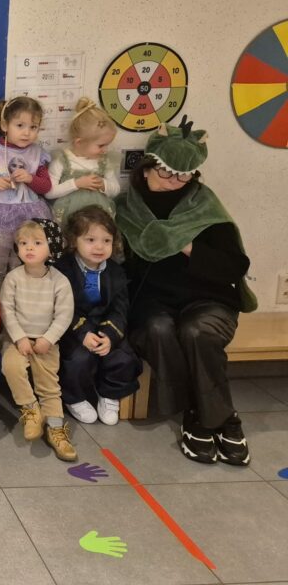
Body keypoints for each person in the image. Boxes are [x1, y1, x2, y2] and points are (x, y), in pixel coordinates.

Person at [117, 117, 255, 465]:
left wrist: (187, 245)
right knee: (158, 330)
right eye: (167, 173)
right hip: (152, 302)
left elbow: (235, 267)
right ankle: (206, 412)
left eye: (183, 176)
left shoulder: (203, 205)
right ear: (147, 168)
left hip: (209, 299)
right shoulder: (128, 208)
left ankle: (210, 418)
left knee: (198, 332)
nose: (174, 182)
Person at [55, 206, 141, 427]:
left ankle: (109, 393)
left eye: (106, 241)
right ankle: (74, 397)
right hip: (72, 327)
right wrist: (83, 333)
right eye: (91, 239)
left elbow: (120, 308)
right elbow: (62, 307)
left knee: (123, 356)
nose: (99, 247)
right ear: (74, 240)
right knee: (78, 359)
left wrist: (110, 335)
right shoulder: (62, 269)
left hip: (104, 324)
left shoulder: (116, 272)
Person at [0, 221, 78, 462]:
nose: (29, 248)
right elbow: (6, 310)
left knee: (49, 385)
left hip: (46, 342)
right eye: (23, 243)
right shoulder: (13, 278)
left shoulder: (59, 281)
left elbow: (64, 315)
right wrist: (19, 337)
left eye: (37, 243)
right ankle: (31, 409)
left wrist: (49, 339)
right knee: (11, 366)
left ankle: (56, 429)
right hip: (18, 340)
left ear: (51, 248)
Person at [0, 96, 53, 287]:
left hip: (29, 217)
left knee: (20, 266)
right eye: (20, 125)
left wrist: (30, 179)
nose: (26, 133)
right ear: (5, 125)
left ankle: (17, 301)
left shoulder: (38, 154)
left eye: (33, 127)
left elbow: (46, 187)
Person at [45, 97, 120, 228]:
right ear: (79, 142)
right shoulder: (63, 161)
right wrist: (76, 184)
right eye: (101, 145)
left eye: (107, 145)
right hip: (69, 220)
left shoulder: (104, 162)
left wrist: (104, 185)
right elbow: (49, 192)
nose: (105, 150)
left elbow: (116, 190)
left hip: (99, 221)